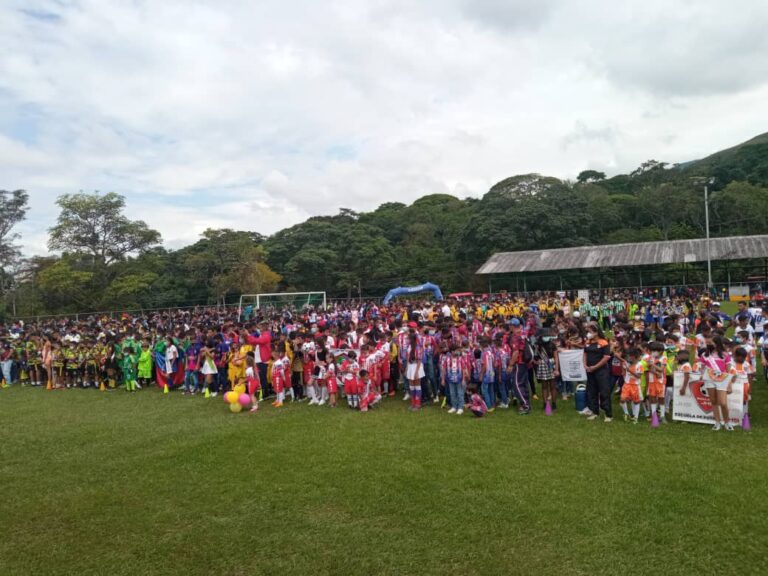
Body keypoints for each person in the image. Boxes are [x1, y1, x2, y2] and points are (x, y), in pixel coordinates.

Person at [700, 335, 732, 431]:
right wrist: (702, 375)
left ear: (717, 343)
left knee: (723, 402)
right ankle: (717, 422)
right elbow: (702, 368)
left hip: (722, 379)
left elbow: (728, 371)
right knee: (713, 401)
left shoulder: (725, 355)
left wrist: (729, 384)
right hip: (709, 379)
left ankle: (727, 422)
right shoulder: (705, 355)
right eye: (709, 342)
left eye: (711, 342)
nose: (709, 344)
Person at [583, 323, 612, 422]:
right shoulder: (588, 342)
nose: (588, 333)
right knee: (592, 391)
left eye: (590, 331)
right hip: (590, 370)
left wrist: (595, 367)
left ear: (596, 332)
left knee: (604, 392)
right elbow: (585, 354)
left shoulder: (603, 342)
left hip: (601, 371)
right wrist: (585, 365)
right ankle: (595, 412)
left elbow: (606, 357)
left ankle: (608, 414)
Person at [620, 348, 644, 423]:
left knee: (636, 402)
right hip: (627, 384)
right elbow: (623, 371)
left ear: (635, 357)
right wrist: (624, 375)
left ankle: (635, 417)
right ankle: (626, 414)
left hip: (635, 385)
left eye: (630, 356)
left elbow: (638, 376)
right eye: (628, 356)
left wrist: (630, 370)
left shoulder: (640, 365)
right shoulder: (626, 363)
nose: (628, 358)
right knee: (622, 399)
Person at [441, 343, 467, 415]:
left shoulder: (460, 359)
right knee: (452, 393)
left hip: (459, 379)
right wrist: (443, 379)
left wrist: (463, 379)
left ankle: (460, 407)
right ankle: (454, 406)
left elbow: (463, 369)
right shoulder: (447, 359)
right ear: (452, 351)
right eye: (456, 350)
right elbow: (444, 369)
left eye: (458, 350)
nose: (458, 352)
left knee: (460, 393)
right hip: (450, 379)